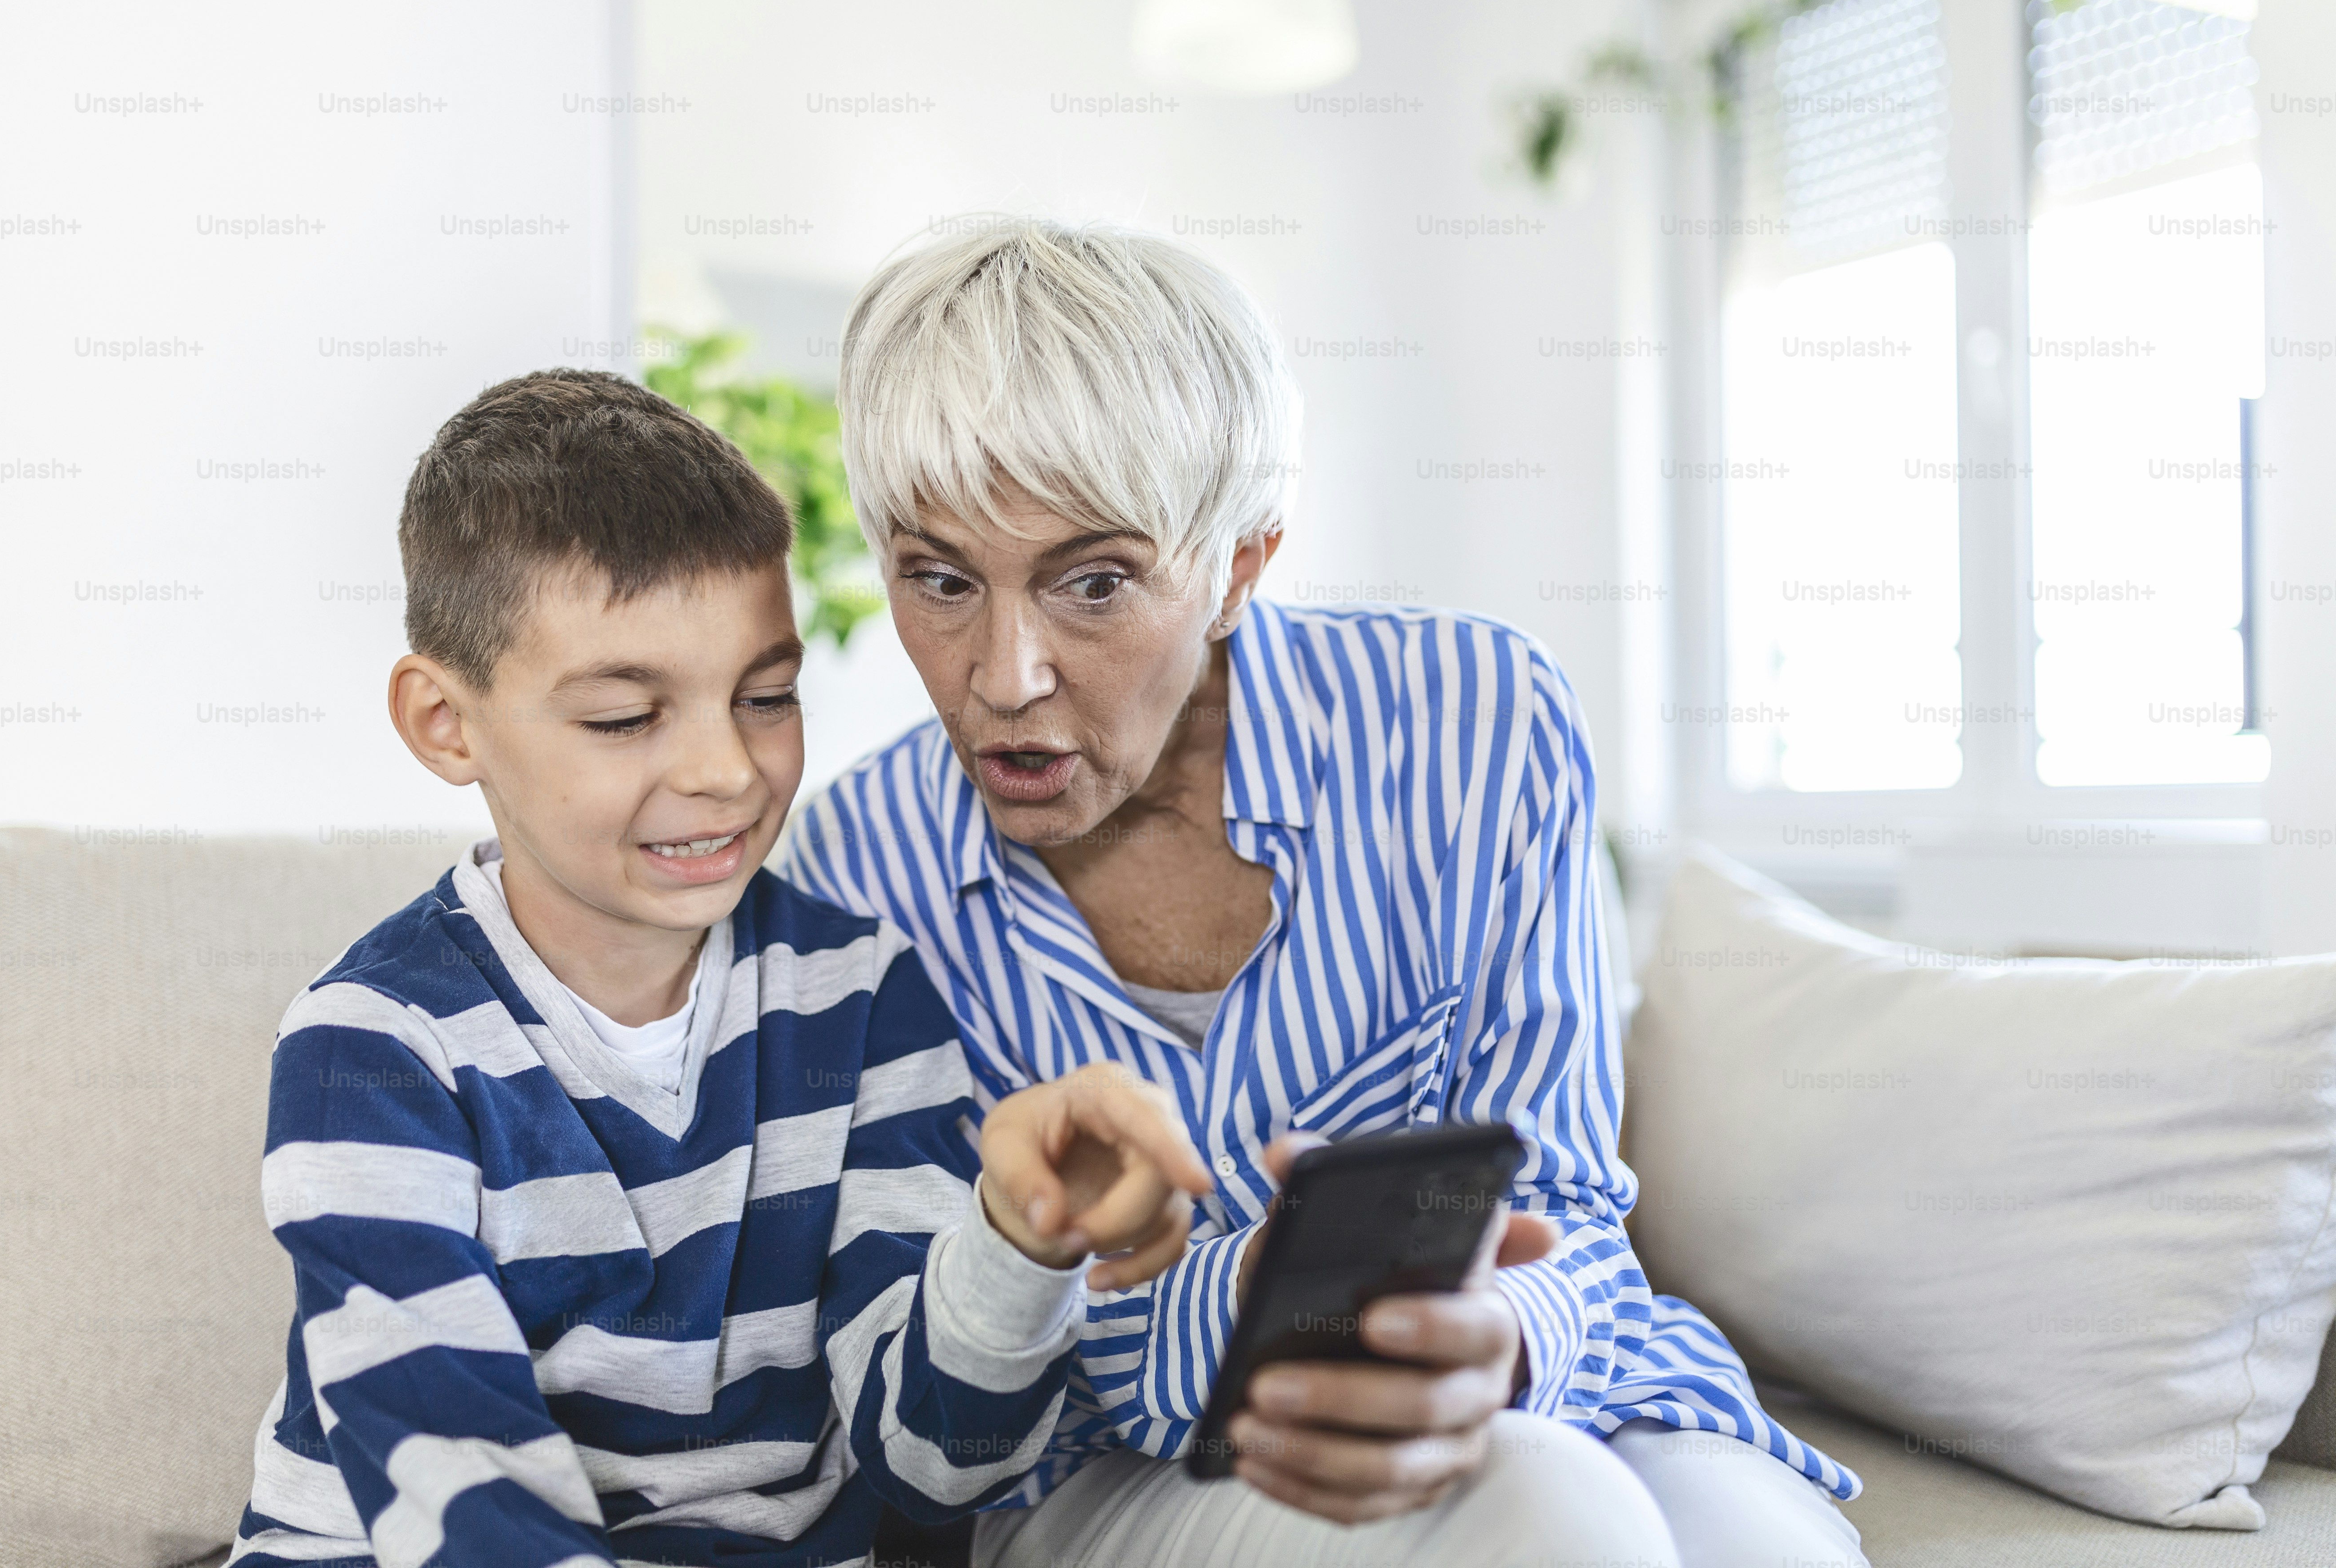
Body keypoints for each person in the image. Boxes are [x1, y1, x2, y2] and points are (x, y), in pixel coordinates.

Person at [784, 221, 1872, 1567]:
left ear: (1240, 565)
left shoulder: (1475, 726)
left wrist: (1502, 1339)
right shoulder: (857, 868)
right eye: (940, 579)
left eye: (1098, 583)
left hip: (1579, 1384)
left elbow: (1570, 1199)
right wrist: (1244, 1300)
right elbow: (958, 1385)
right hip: (1123, 1468)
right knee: (1543, 1511)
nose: (1003, 677)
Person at [228, 370, 1215, 1568]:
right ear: (448, 725)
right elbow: (465, 1506)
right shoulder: (372, 1051)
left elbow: (939, 1465)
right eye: (624, 717)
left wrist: (1018, 1241)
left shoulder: (860, 1002)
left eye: (767, 697)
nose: (725, 772)